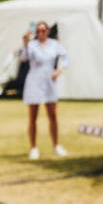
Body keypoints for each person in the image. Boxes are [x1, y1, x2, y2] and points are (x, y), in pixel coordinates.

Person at [20, 22, 69, 159]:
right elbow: (23, 58)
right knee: (33, 117)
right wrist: (24, 43)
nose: (41, 33)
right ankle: (33, 147)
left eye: (43, 30)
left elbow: (65, 58)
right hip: (34, 81)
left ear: (47, 31)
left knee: (53, 115)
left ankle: (56, 145)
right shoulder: (31, 45)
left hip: (49, 81)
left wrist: (58, 70)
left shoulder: (54, 44)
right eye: (39, 31)